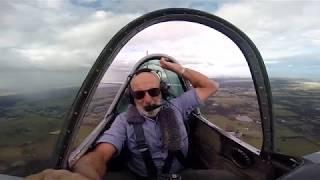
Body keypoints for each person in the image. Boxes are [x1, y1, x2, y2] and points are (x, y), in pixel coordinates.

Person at [71, 57, 223, 180]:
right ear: (132, 98)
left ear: (163, 91)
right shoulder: (123, 121)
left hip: (179, 175)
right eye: (139, 94)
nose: (148, 100)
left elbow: (210, 86)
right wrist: (83, 174)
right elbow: (101, 154)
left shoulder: (179, 106)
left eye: (154, 91)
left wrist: (176, 68)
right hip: (138, 176)